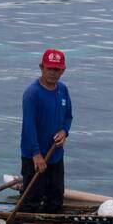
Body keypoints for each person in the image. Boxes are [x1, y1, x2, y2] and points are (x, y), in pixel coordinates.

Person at [19, 49, 73, 213]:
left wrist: (64, 131)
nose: (52, 73)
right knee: (32, 199)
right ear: (41, 67)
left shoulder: (62, 90)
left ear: (62, 70)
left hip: (55, 154)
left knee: (56, 197)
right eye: (49, 68)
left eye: (56, 70)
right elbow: (29, 127)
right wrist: (37, 155)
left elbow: (68, 117)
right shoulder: (32, 94)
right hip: (35, 157)